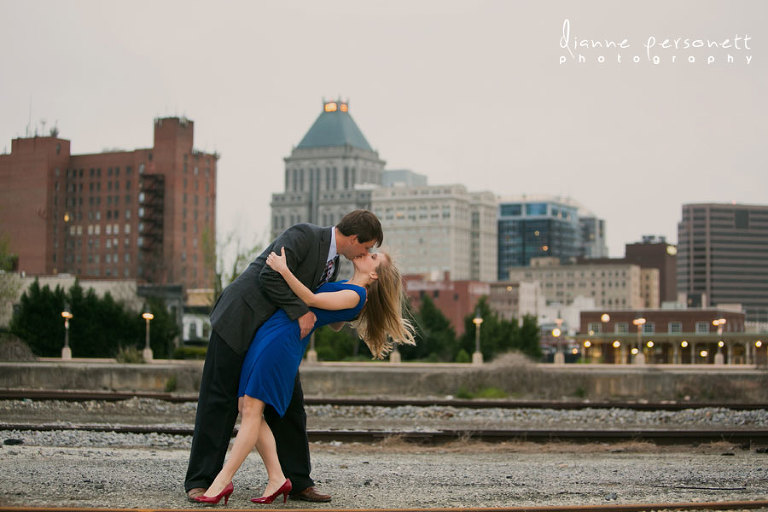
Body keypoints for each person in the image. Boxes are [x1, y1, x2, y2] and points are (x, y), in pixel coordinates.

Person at [185, 210, 383, 503]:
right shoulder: (303, 235)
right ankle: (201, 480)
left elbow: (320, 300)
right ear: (355, 239)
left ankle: (298, 481)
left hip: (273, 337)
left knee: (290, 405)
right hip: (240, 321)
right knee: (219, 399)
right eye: (366, 248)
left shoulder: (334, 262)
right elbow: (270, 275)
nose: (365, 253)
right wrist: (301, 312)